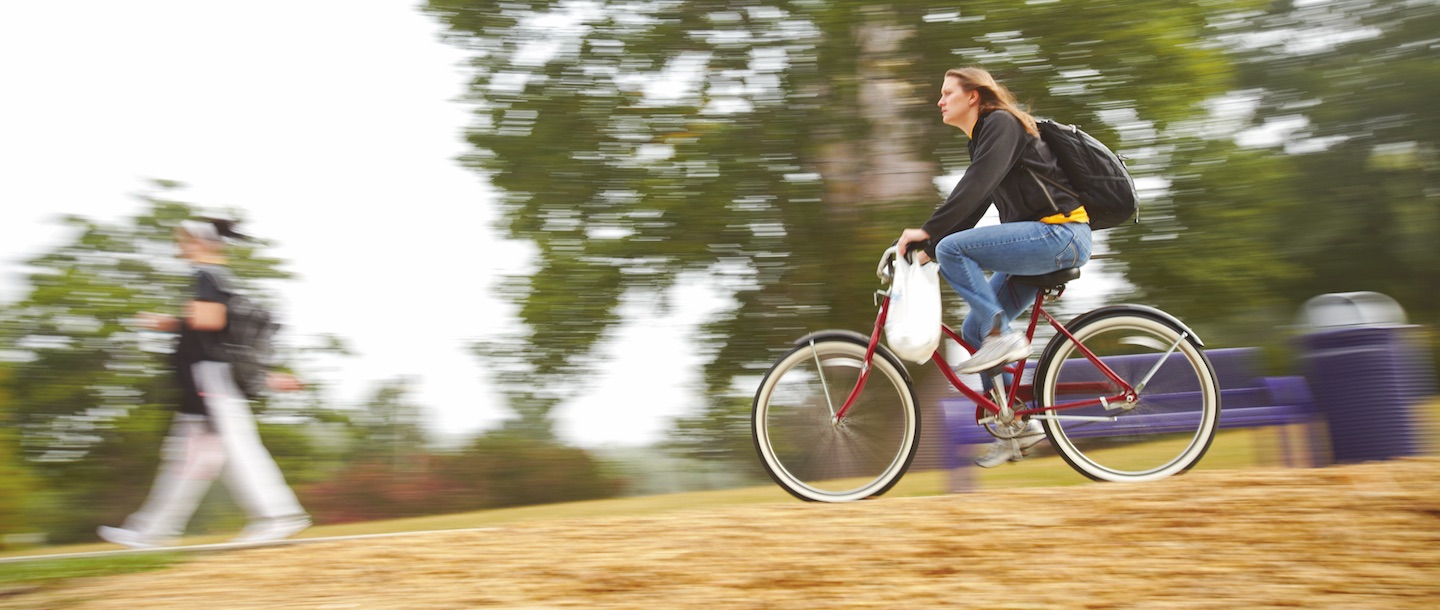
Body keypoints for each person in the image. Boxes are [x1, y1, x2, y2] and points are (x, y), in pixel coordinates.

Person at [897, 67, 1093, 468]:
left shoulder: (1000, 123)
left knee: (957, 255)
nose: (940, 100)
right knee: (972, 329)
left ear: (973, 96)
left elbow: (976, 185)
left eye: (947, 92)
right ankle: (1015, 427)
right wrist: (930, 247)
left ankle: (1003, 334)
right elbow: (978, 203)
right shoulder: (985, 138)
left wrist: (932, 233)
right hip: (1043, 240)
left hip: (1062, 235)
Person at [97, 219, 310, 547]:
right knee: (187, 459)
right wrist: (174, 323)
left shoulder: (207, 277)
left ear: (204, 244)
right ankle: (152, 531)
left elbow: (211, 321)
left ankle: (277, 517)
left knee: (239, 450)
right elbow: (218, 329)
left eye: (185, 241)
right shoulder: (218, 279)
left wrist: (174, 321)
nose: (180, 246)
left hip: (211, 379)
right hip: (206, 381)